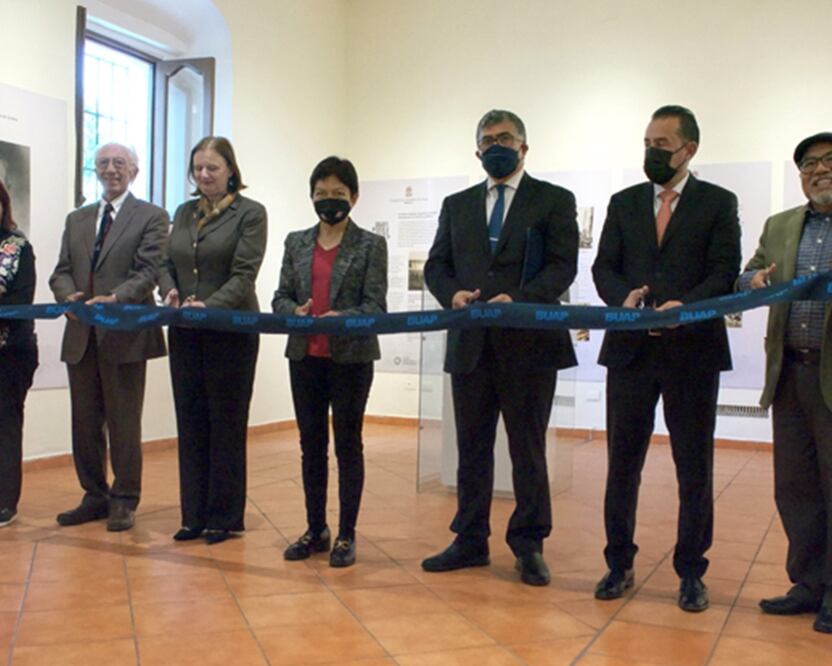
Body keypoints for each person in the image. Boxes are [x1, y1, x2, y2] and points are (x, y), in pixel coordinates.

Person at [591, 105, 741, 611]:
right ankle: (618, 563)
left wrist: (687, 308)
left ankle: (692, 571)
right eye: (647, 144)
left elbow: (724, 271)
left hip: (692, 352)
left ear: (688, 149)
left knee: (693, 467)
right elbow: (604, 267)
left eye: (662, 145)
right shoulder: (624, 202)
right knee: (622, 464)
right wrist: (624, 298)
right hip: (630, 352)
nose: (651, 153)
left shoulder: (718, 203)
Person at [422, 109, 579, 586]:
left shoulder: (554, 200)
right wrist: (452, 294)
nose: (496, 146)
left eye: (505, 138)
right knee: (472, 448)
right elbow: (436, 265)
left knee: (527, 449)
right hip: (471, 344)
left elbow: (562, 266)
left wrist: (521, 300)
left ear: (524, 147)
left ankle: (529, 543)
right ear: (477, 151)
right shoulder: (456, 205)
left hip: (529, 345)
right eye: (488, 140)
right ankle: (470, 538)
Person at [273, 156, 387, 567]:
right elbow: (280, 297)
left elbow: (375, 305)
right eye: (321, 193)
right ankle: (315, 528)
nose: (329, 200)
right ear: (311, 196)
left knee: (348, 445)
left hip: (351, 358)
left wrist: (343, 318)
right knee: (311, 445)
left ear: (353, 197)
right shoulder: (295, 242)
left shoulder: (371, 245)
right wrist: (294, 310)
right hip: (305, 356)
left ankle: (346, 534)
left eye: (338, 193)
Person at [738, 132, 832, 634]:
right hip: (790, 373)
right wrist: (752, 282)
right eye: (809, 164)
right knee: (795, 486)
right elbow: (746, 276)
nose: (819, 170)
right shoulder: (780, 226)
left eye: (829, 160)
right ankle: (809, 583)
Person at [49, 143, 168, 532]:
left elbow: (148, 271)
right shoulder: (77, 219)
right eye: (103, 163)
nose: (111, 169)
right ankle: (94, 495)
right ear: (95, 170)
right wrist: (67, 296)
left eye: (119, 163)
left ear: (134, 171)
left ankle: (125, 498)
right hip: (81, 335)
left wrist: (116, 298)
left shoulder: (151, 216)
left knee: (124, 423)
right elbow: (61, 271)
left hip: (125, 334)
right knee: (84, 424)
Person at [159, 136, 267, 545]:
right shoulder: (184, 212)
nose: (204, 175)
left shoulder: (250, 213)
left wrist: (209, 306)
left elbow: (244, 274)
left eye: (213, 168)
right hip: (186, 330)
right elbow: (166, 262)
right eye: (198, 168)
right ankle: (194, 516)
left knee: (226, 422)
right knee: (190, 420)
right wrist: (169, 290)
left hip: (231, 331)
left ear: (231, 170)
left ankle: (224, 517)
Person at [0, 180, 38, 527]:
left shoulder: (18, 248)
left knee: (5, 424)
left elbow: (21, 300)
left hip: (10, 351)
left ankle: (4, 501)